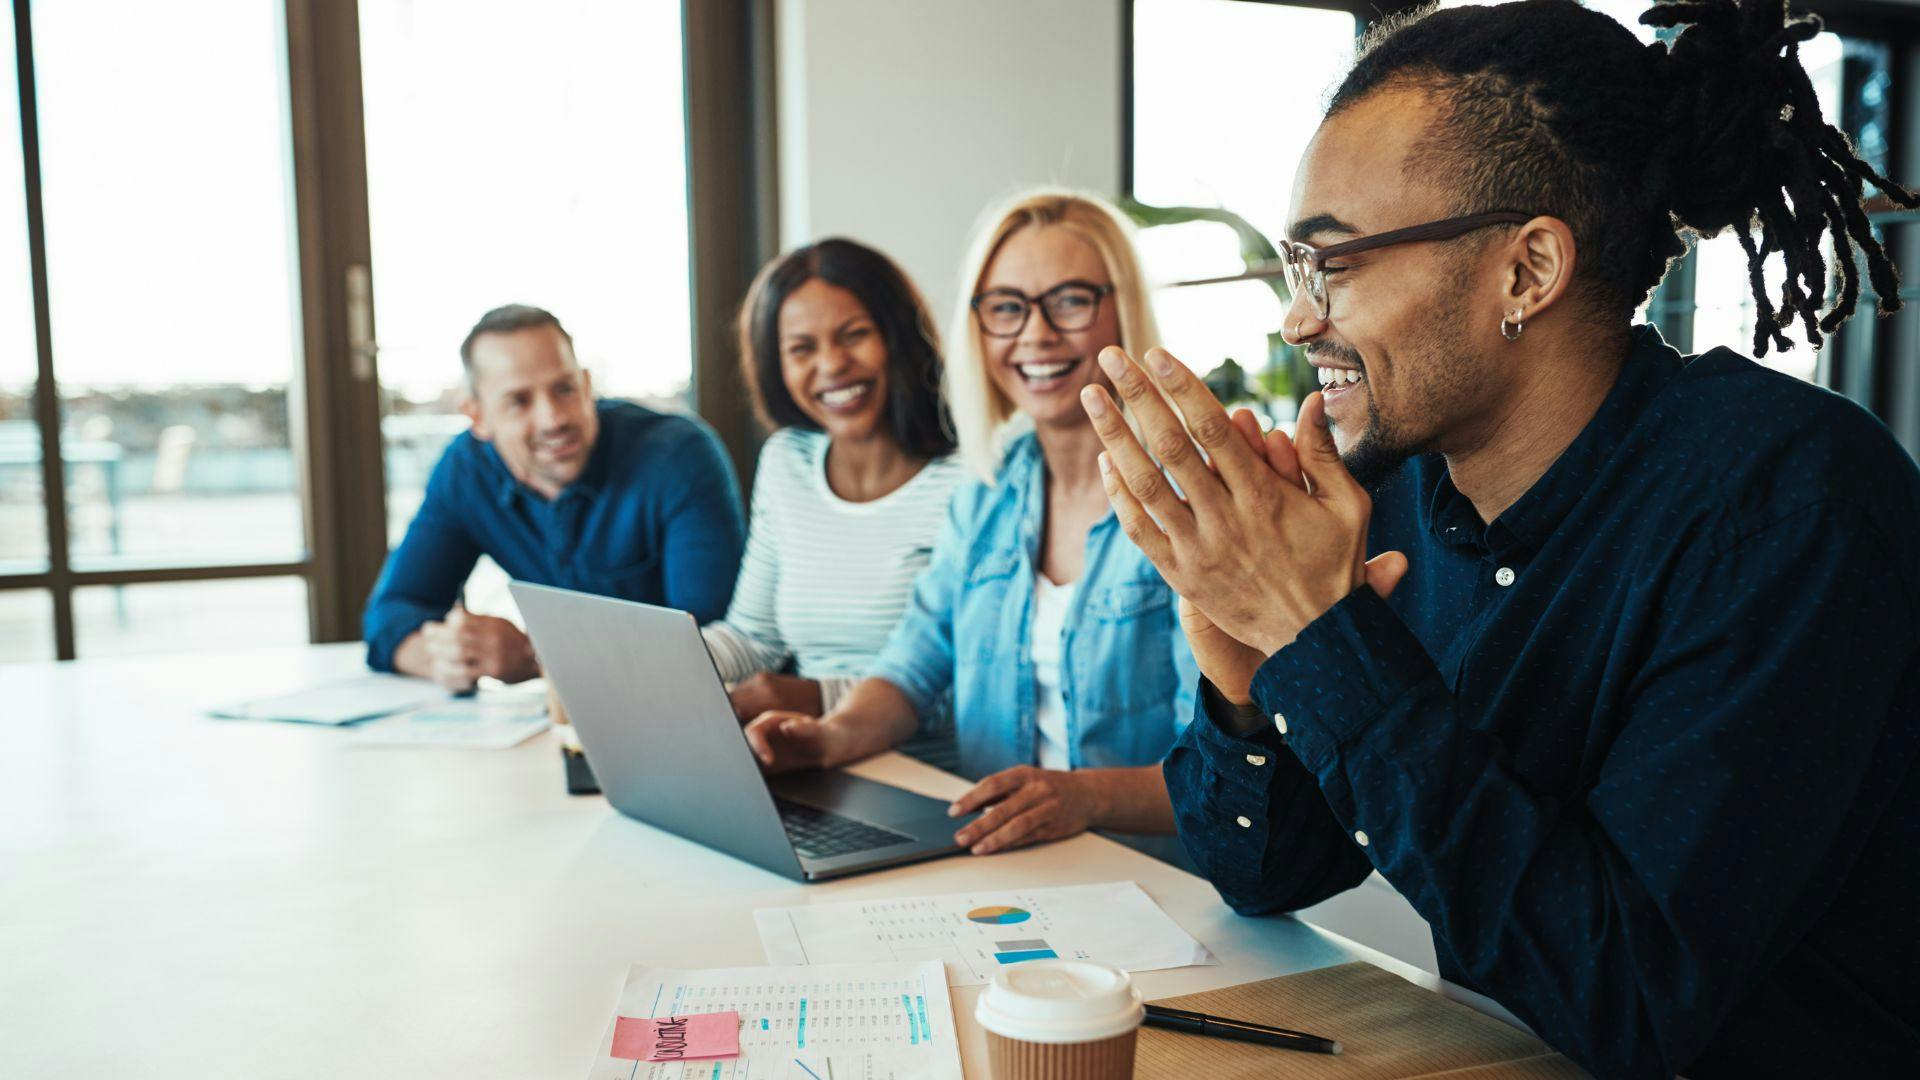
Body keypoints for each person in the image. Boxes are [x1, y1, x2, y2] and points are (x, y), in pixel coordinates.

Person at [1081, 2, 1920, 1076]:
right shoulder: (1390, 494)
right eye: (1297, 267)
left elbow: (1625, 995)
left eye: (1334, 264)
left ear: (1527, 271)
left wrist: (1321, 630)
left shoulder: (1790, 504)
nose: (1298, 320)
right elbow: (1266, 870)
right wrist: (1248, 674)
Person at [742, 190, 1199, 862]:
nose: (1036, 335)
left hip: (1163, 886)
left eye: (1070, 300)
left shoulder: (1190, 499)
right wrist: (831, 737)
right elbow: (914, 661)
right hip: (1003, 865)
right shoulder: (989, 489)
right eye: (1007, 309)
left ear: (1123, 308)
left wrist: (1087, 795)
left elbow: (1229, 767)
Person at [364, 304, 746, 691]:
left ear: (586, 384)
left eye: (564, 389)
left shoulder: (679, 456)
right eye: (520, 401)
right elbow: (387, 620)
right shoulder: (465, 470)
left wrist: (533, 656)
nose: (554, 419)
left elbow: (713, 644)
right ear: (477, 416)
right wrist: (450, 658)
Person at [701, 239, 967, 767]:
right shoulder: (787, 462)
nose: (832, 365)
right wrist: (655, 666)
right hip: (805, 756)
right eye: (802, 348)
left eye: (855, 336)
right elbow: (753, 637)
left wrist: (819, 696)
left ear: (898, 338)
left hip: (933, 771)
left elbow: (986, 688)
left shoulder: (968, 476)